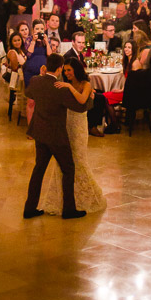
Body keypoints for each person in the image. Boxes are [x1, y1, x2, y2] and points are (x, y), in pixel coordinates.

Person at [23, 53, 88, 220]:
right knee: (68, 169)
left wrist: (40, 75)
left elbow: (28, 93)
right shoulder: (60, 87)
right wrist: (91, 99)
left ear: (46, 65)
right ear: (59, 68)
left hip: (40, 133)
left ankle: (29, 208)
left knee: (38, 170)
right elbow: (79, 108)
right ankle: (69, 210)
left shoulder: (36, 81)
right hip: (56, 136)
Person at [40, 57, 106, 215]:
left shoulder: (86, 84)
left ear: (76, 69)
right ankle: (63, 199)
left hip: (79, 125)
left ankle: (83, 197)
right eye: (65, 70)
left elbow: (83, 99)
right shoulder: (62, 81)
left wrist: (69, 87)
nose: (67, 73)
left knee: (79, 159)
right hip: (65, 123)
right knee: (64, 160)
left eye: (69, 70)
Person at [64, 31, 109, 138]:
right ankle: (92, 126)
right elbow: (68, 77)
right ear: (73, 42)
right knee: (100, 98)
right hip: (74, 88)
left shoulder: (79, 55)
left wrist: (89, 89)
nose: (81, 45)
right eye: (79, 42)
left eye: (83, 43)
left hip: (81, 86)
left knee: (101, 94)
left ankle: (94, 123)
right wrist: (87, 90)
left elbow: (81, 75)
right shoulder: (69, 56)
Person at [4, 30, 27, 121]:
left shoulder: (21, 50)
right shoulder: (12, 52)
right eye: (15, 41)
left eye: (19, 40)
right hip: (17, 78)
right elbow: (15, 67)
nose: (17, 42)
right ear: (11, 42)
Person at [23, 19, 52, 88]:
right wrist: (33, 40)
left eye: (42, 29)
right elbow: (28, 54)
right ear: (33, 30)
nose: (39, 31)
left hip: (44, 71)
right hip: (30, 71)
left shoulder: (47, 40)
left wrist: (47, 42)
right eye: (37, 29)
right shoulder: (29, 39)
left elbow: (50, 55)